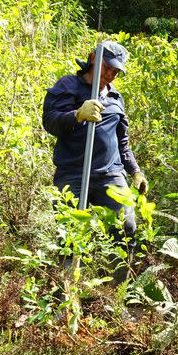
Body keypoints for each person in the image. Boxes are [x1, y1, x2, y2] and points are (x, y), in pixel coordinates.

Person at [42, 40, 148, 279]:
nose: (111, 74)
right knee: (70, 235)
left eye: (116, 71)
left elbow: (122, 142)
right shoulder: (68, 85)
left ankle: (116, 294)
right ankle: (68, 299)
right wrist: (77, 115)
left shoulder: (116, 98)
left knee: (125, 227)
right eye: (107, 67)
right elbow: (50, 121)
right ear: (93, 59)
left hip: (110, 174)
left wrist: (135, 171)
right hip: (73, 173)